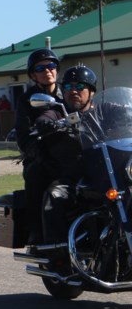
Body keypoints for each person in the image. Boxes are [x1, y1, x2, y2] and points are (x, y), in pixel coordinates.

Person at [40, 65, 97, 246]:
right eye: (68, 87)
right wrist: (47, 124)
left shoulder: (103, 111)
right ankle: (56, 252)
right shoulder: (58, 112)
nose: (74, 91)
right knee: (54, 195)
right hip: (74, 179)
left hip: (104, 177)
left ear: (92, 91)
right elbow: (44, 118)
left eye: (80, 87)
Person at [14, 48, 64, 245]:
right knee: (35, 174)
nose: (47, 71)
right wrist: (42, 157)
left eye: (51, 66)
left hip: (70, 152)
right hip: (43, 156)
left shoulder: (68, 92)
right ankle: (36, 231)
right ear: (33, 74)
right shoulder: (27, 99)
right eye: (41, 68)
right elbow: (24, 137)